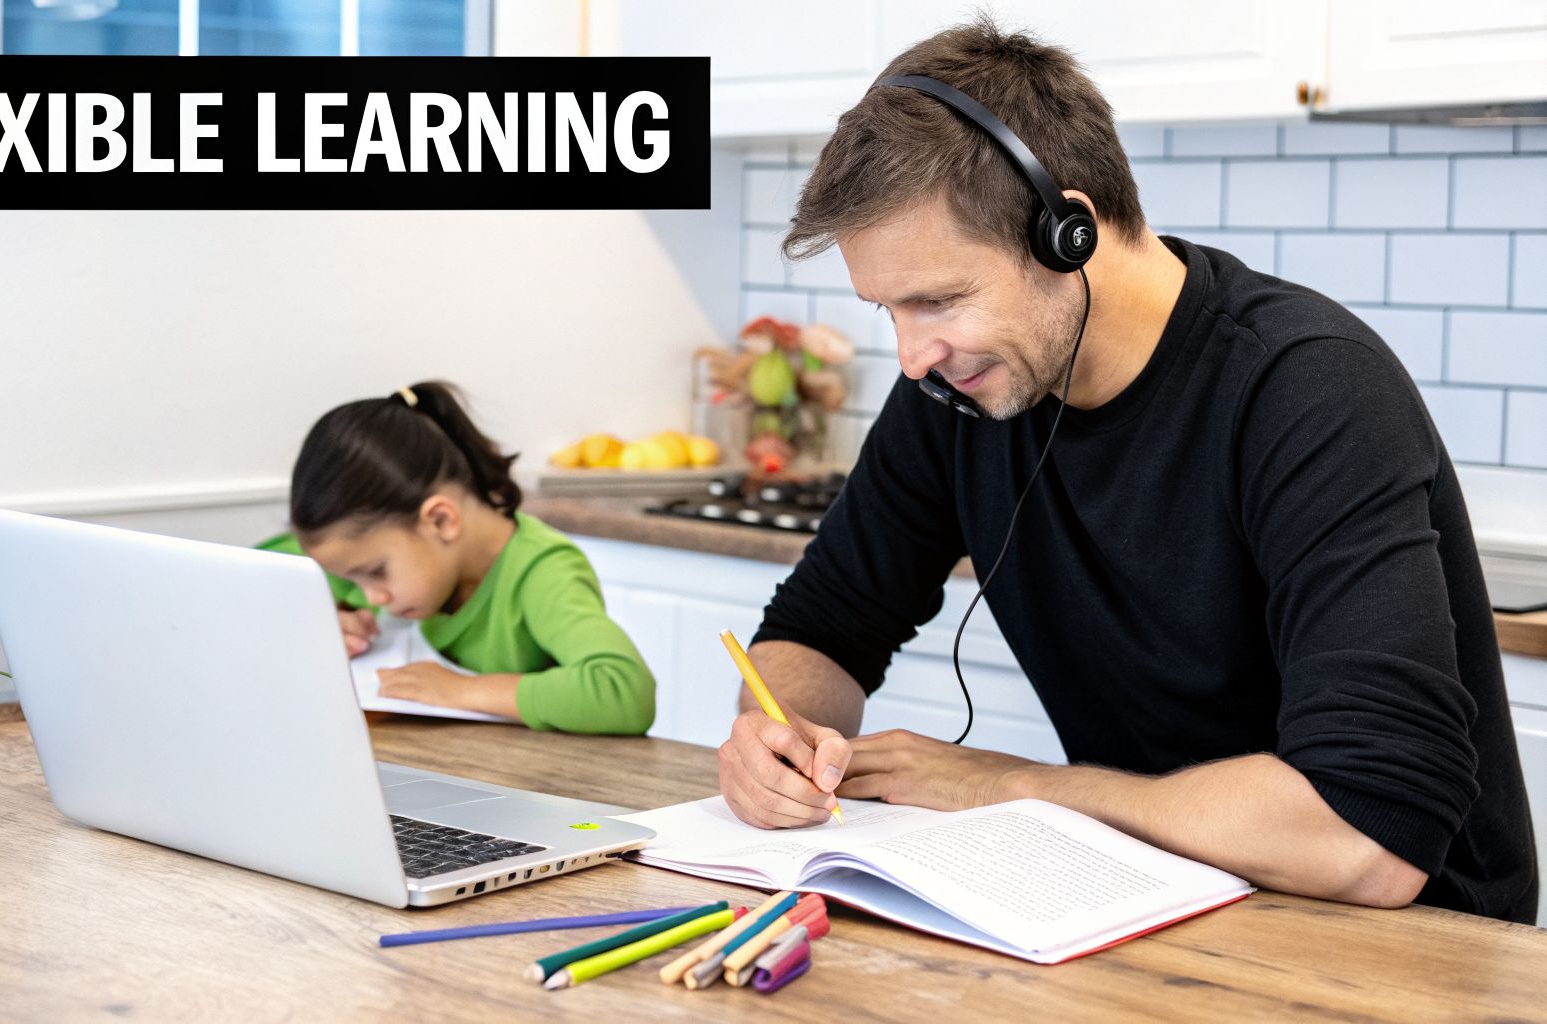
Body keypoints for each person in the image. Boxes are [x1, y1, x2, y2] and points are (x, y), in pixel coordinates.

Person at [717, 17, 1537, 922]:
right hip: (1157, 900)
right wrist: (773, 736)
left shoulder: (1308, 389)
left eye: (939, 300)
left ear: (1067, 233)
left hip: (1407, 944)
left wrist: (1009, 786)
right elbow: (825, 626)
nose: (913, 358)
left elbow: (1368, 840)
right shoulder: (962, 389)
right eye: (889, 311)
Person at [259, 381, 655, 735]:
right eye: (353, 580)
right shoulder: (368, 553)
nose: (372, 597)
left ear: (441, 521)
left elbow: (623, 689)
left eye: (376, 572)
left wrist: (463, 690)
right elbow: (262, 572)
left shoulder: (542, 571)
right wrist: (318, 614)